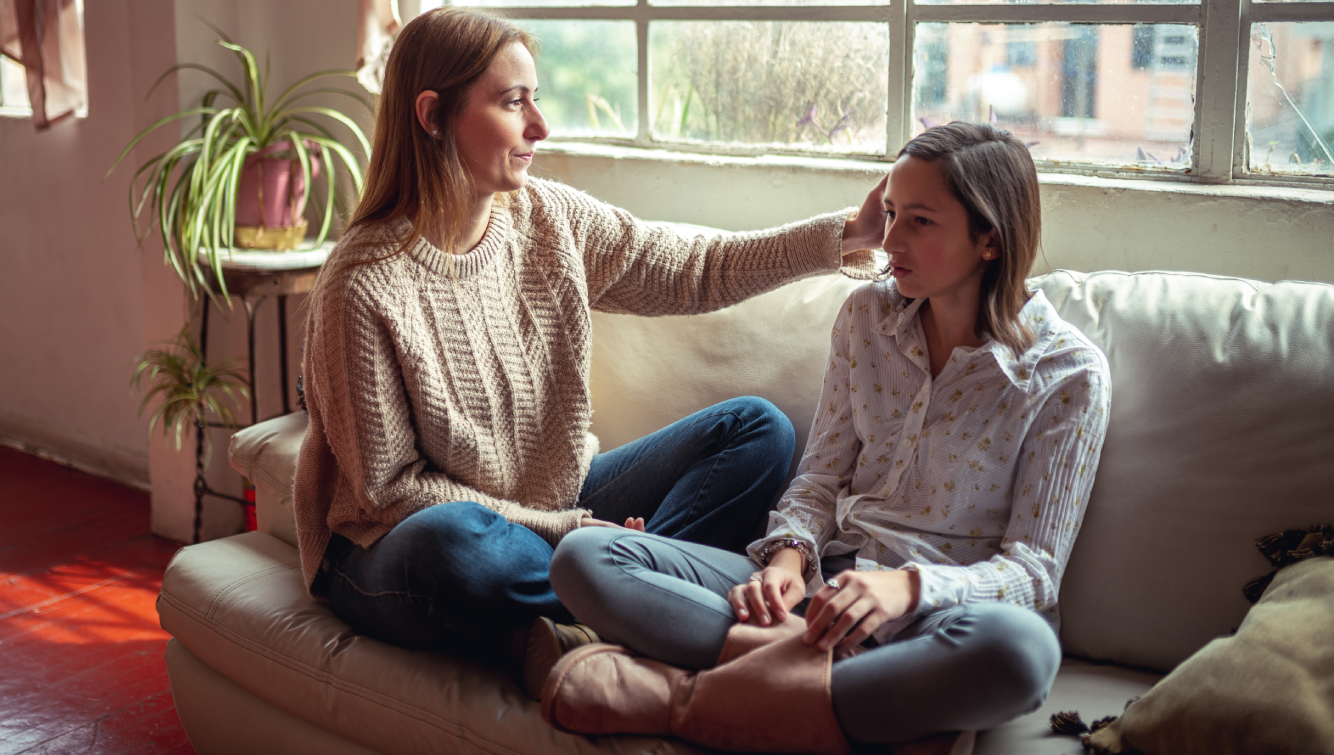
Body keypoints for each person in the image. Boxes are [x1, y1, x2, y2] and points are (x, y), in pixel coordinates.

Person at [291, 5, 887, 694]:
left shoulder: (549, 218)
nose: (540, 126)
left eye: (535, 98)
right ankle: (633, 598)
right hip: (389, 544)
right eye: (513, 102)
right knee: (454, 544)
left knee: (757, 430)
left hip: (558, 505)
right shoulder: (363, 282)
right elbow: (391, 493)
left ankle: (604, 613)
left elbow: (694, 269)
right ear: (432, 115)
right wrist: (568, 530)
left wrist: (847, 234)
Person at [541, 122, 1113, 754]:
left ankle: (683, 701)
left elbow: (1034, 572)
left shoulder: (1067, 374)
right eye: (890, 213)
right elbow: (818, 478)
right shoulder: (866, 315)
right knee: (585, 558)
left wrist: (907, 589)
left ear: (990, 240)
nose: (889, 240)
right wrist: (788, 561)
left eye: (920, 221)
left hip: (938, 619)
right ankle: (850, 701)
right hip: (818, 595)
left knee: (1021, 653)